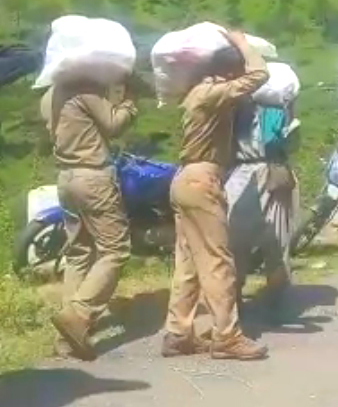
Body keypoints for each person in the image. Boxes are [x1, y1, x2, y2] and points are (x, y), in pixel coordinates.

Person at [162, 30, 270, 361]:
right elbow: (260, 75)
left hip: (184, 181)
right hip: (202, 181)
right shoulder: (212, 93)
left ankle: (178, 333)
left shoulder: (196, 92)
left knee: (189, 263)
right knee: (218, 261)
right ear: (229, 72)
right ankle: (226, 336)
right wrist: (242, 43)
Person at [42, 78, 138, 361]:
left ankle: (66, 339)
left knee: (79, 252)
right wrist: (130, 104)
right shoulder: (85, 90)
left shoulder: (51, 93)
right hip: (93, 176)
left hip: (66, 177)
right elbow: (113, 126)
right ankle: (80, 314)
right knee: (115, 250)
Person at [225, 97, 299, 321]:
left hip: (238, 176)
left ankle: (232, 298)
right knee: (277, 239)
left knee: (235, 239)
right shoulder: (276, 110)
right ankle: (276, 298)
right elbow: (282, 143)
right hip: (273, 172)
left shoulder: (231, 108)